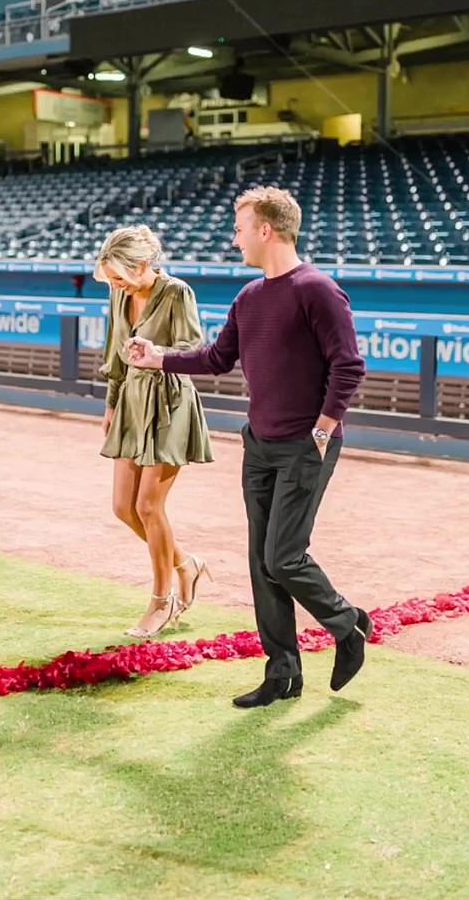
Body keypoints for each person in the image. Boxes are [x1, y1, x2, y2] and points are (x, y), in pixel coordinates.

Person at [127, 187, 371, 708]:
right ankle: (282, 672)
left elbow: (348, 366)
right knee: (262, 563)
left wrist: (323, 431)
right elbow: (217, 358)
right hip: (259, 445)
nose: (234, 238)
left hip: (307, 445)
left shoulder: (318, 290)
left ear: (266, 230)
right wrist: (157, 359)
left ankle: (347, 625)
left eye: (240, 228)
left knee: (284, 557)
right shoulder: (250, 297)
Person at [96, 225, 214, 640]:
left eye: (120, 277)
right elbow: (114, 349)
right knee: (122, 507)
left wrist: (155, 354)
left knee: (149, 506)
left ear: (143, 265)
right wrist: (112, 404)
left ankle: (162, 602)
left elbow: (195, 351)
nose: (115, 285)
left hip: (169, 404)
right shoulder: (118, 294)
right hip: (130, 402)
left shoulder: (178, 292)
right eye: (111, 278)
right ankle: (187, 564)